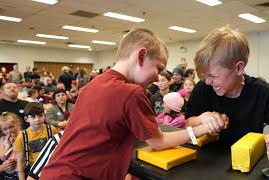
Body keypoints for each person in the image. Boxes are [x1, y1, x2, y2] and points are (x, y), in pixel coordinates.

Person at [40, 27, 228, 180]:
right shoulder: (130, 92)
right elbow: (159, 142)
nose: (157, 77)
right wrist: (201, 129)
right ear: (140, 56)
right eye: (159, 68)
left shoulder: (92, 85)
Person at [185, 25, 269, 164]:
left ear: (239, 68)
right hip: (207, 162)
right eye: (205, 76)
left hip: (246, 164)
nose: (208, 81)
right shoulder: (204, 87)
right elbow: (188, 124)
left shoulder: (261, 92)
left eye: (213, 75)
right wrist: (201, 119)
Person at [14, 102, 57, 180]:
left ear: (44, 116)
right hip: (33, 172)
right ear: (26, 119)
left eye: (40, 116)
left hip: (51, 168)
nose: (37, 119)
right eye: (33, 117)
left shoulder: (51, 130)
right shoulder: (22, 137)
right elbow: (20, 162)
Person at [0, 112, 21, 179]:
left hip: (21, 170)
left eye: (11, 127)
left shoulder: (23, 135)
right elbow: (2, 157)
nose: (9, 131)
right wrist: (8, 145)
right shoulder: (3, 139)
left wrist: (14, 143)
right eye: (5, 129)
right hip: (9, 173)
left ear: (18, 124)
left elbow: (25, 152)